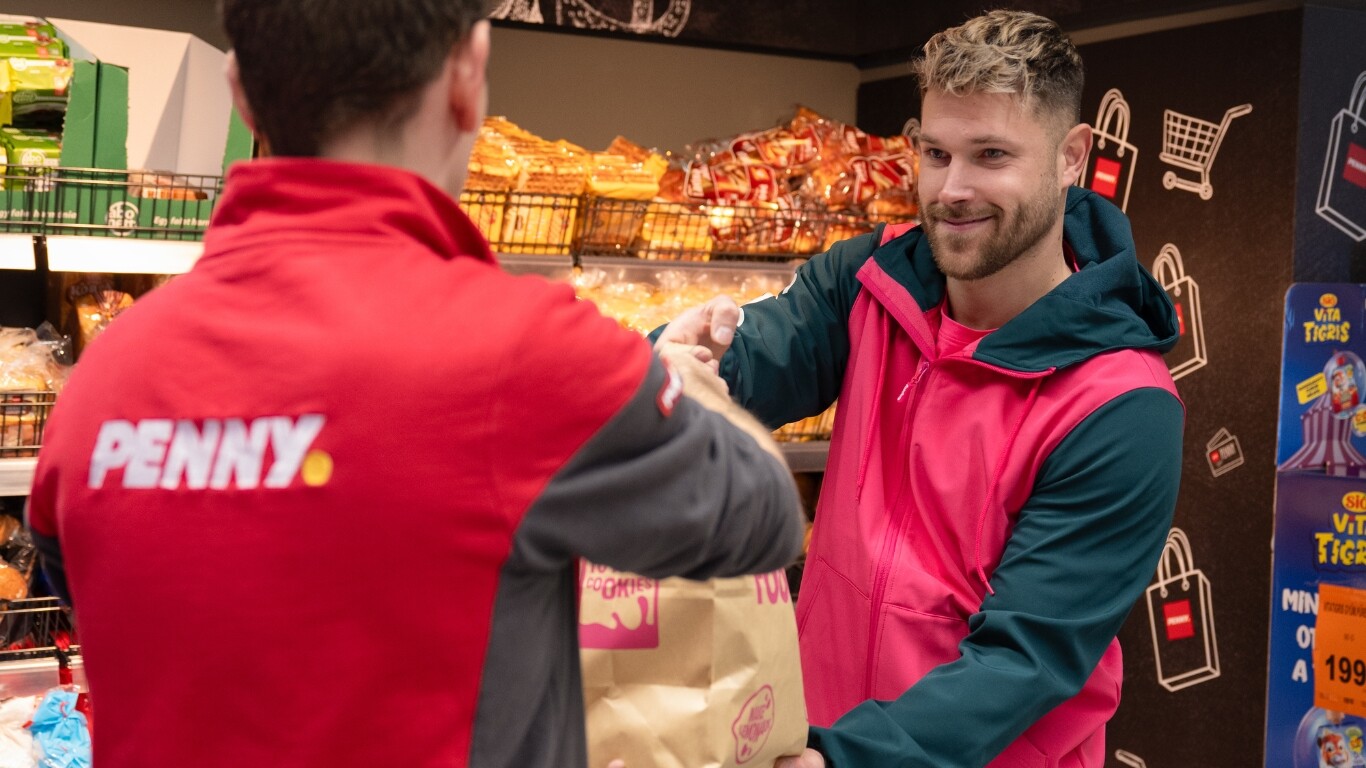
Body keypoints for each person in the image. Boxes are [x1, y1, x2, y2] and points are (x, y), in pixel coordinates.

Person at [23, 2, 805, 767]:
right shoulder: (533, 358)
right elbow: (765, 517)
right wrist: (667, 380)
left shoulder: (102, 381)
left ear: (241, 91)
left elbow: (96, 586)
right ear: (469, 74)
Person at [663, 10, 1185, 768]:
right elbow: (747, 363)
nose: (953, 189)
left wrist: (847, 760)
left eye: (992, 155)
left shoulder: (1120, 406)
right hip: (807, 739)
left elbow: (1022, 661)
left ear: (1072, 157)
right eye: (936, 153)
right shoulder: (870, 281)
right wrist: (670, 361)